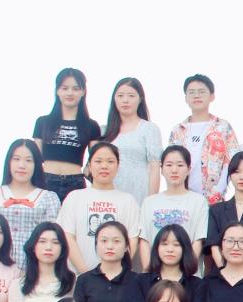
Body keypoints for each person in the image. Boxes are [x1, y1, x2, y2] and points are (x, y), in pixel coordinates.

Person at [56, 143, 141, 272]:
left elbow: (132, 240)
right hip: (78, 277)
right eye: (98, 161)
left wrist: (116, 273)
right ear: (89, 166)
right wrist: (86, 274)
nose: (104, 166)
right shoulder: (74, 197)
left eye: (110, 161)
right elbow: (67, 236)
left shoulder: (128, 201)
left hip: (116, 278)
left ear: (118, 166)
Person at [0, 139, 60, 269]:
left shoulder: (49, 198)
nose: (22, 165)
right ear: (8, 162)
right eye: (16, 159)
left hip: (33, 269)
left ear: (37, 164)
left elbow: (53, 237)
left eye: (28, 160)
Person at [123, 224, 207, 302]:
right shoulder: (141, 281)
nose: (170, 249)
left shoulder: (197, 285)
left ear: (185, 249)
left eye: (176, 245)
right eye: (164, 244)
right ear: (156, 248)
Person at [168, 74, 240, 205]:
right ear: (186, 98)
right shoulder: (178, 130)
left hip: (213, 201)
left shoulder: (223, 127)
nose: (196, 96)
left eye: (201, 92)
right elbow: (169, 162)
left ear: (212, 96)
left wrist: (219, 188)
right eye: (191, 92)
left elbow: (232, 159)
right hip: (182, 199)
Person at [32, 68, 101, 201]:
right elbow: (35, 157)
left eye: (76, 88)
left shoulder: (91, 125)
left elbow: (96, 157)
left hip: (75, 183)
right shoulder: (42, 122)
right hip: (46, 180)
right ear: (57, 91)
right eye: (65, 88)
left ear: (83, 92)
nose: (70, 93)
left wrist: (89, 170)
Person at [139, 146, 208, 269]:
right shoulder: (149, 202)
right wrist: (148, 272)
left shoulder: (199, 202)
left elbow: (198, 240)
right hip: (155, 274)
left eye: (180, 165)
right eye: (169, 165)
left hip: (187, 275)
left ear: (188, 169)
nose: (174, 170)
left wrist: (187, 270)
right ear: (161, 169)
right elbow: (144, 240)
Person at [104, 77, 162, 205]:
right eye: (120, 96)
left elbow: (155, 168)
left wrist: (151, 202)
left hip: (139, 192)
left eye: (131, 96)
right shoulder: (104, 131)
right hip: (110, 194)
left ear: (140, 99)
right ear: (114, 99)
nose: (125, 100)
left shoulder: (149, 129)